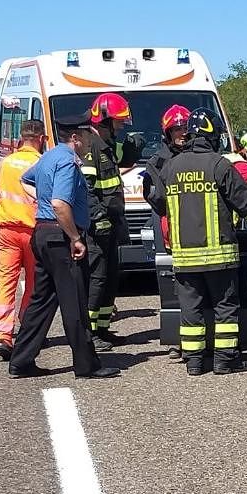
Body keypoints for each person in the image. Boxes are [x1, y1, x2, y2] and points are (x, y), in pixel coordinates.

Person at [148, 108, 247, 376]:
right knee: (225, 309)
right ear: (212, 135)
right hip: (219, 256)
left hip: (183, 257)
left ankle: (194, 362)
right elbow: (245, 204)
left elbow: (159, 204)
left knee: (190, 310)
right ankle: (224, 361)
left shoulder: (170, 166)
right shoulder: (219, 165)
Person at [7, 119, 120, 379]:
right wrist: (74, 237)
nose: (90, 145)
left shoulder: (48, 156)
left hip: (43, 233)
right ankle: (86, 365)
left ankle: (20, 361)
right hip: (60, 237)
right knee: (75, 303)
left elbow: (26, 180)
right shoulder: (68, 161)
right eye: (88, 139)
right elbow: (60, 203)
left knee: (41, 301)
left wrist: (43, 202)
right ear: (76, 137)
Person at [78, 92, 144, 350]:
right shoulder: (91, 147)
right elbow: (86, 188)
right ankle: (90, 333)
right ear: (104, 120)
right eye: (118, 122)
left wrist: (131, 150)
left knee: (110, 277)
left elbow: (121, 160)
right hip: (97, 226)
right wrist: (96, 216)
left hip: (112, 222)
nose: (121, 126)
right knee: (97, 278)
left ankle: (103, 328)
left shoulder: (105, 145)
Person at [0, 119, 44, 360]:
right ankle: (27, 328)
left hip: (7, 231)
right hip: (33, 232)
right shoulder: (42, 163)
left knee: (5, 283)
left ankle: (3, 335)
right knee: (34, 285)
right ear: (41, 139)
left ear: (21, 138)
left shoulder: (4, 164)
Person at [142, 104, 190, 359]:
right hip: (173, 231)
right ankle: (178, 338)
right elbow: (154, 197)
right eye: (177, 129)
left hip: (205, 232)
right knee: (175, 288)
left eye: (186, 127)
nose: (182, 133)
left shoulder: (203, 154)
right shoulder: (157, 161)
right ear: (168, 132)